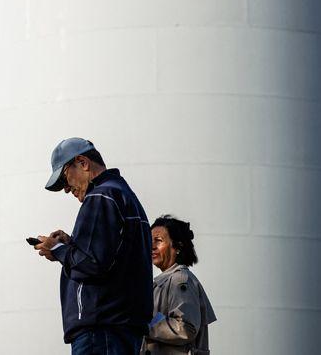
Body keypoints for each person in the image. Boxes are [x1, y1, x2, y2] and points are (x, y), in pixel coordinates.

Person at [33, 137, 153, 354]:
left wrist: (58, 250)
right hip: (120, 328)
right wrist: (71, 243)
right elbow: (112, 258)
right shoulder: (122, 195)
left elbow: (93, 264)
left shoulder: (101, 195)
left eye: (64, 178)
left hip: (101, 331)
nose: (66, 190)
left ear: (83, 163)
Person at [142, 215, 216, 355]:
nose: (151, 246)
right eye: (149, 241)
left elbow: (185, 328)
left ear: (177, 247)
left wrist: (143, 324)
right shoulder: (165, 280)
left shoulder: (179, 280)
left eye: (158, 241)